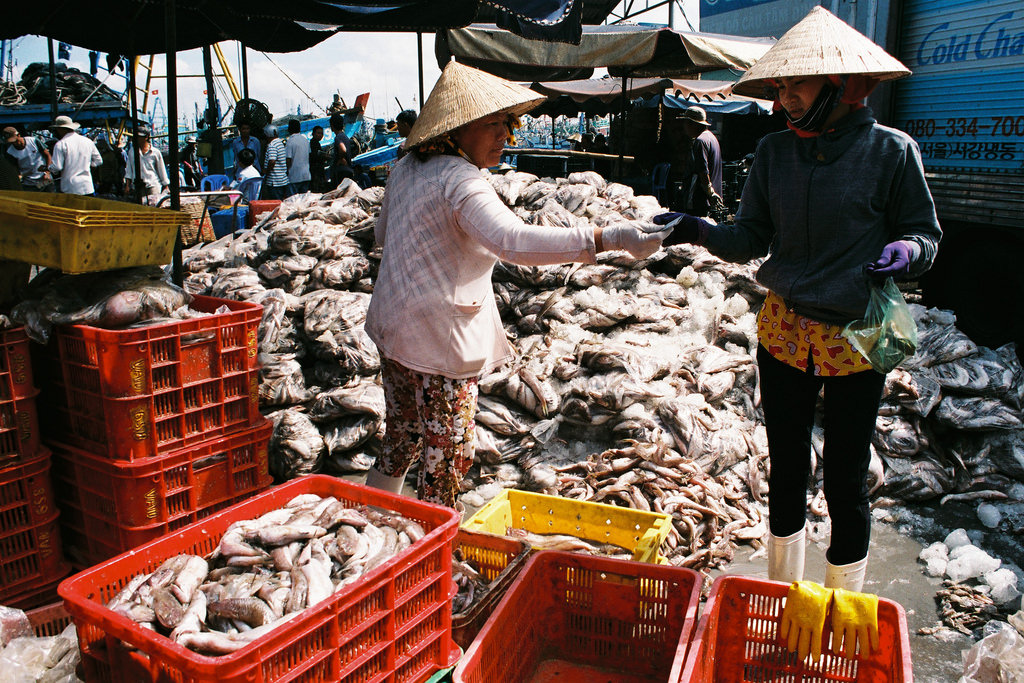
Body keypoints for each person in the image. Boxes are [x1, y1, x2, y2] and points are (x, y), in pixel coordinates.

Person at [654, 7, 941, 600]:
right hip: (783, 330)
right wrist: (698, 228)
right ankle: (783, 599)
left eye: (795, 85)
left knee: (844, 479)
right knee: (785, 469)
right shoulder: (774, 155)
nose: (783, 98)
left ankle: (843, 606)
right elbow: (750, 239)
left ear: (841, 85)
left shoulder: (892, 152)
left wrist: (906, 251)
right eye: (780, 87)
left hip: (857, 337)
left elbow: (926, 234)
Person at [362, 61, 672, 508]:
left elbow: (382, 234)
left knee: (403, 436)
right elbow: (513, 241)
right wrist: (608, 237)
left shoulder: (408, 166)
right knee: (447, 457)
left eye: (509, 123)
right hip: (438, 346)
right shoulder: (460, 180)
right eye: (493, 124)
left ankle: (380, 522)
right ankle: (432, 554)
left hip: (393, 328)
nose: (505, 135)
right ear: (458, 127)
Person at [679, 106, 723, 217]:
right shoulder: (711, 138)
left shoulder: (700, 141)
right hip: (707, 201)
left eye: (686, 123)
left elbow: (703, 171)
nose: (684, 127)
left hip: (698, 199)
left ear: (693, 124)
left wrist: (710, 193)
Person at [48, 115, 102, 195]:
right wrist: (88, 165)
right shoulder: (88, 141)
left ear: (60, 129)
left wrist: (48, 168)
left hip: (70, 188)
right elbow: (99, 161)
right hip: (87, 187)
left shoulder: (61, 144)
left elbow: (57, 167)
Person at [3, 126, 53, 191]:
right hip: (29, 184)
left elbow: (48, 155)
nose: (15, 144)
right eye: (12, 142)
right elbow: (14, 168)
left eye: (15, 141)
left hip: (44, 178)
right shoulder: (10, 152)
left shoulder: (33, 141)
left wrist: (48, 172)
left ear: (19, 135)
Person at [124, 128, 169, 197]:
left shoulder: (155, 152)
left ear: (146, 138)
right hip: (138, 186)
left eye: (139, 137)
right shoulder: (132, 152)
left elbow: (161, 170)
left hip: (153, 186)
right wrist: (127, 185)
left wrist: (166, 186)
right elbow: (129, 170)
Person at [261, 125, 291, 200]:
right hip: (283, 180)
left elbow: (272, 161)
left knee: (276, 204)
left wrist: (266, 171)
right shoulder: (280, 143)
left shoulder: (272, 145)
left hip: (275, 181)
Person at [284, 119, 311, 195]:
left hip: (294, 177)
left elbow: (288, 159)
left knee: (293, 201)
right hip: (306, 176)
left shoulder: (290, 141)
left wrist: (286, 171)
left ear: (289, 129)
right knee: (303, 201)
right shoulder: (305, 140)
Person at [328, 113, 354, 186]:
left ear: (332, 125)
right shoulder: (344, 136)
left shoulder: (338, 138)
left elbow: (342, 149)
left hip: (341, 172)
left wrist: (341, 158)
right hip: (348, 169)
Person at [309, 125, 327, 192]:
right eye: (318, 133)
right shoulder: (313, 143)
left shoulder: (317, 143)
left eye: (321, 133)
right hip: (315, 171)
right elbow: (314, 156)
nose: (320, 135)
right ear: (313, 134)